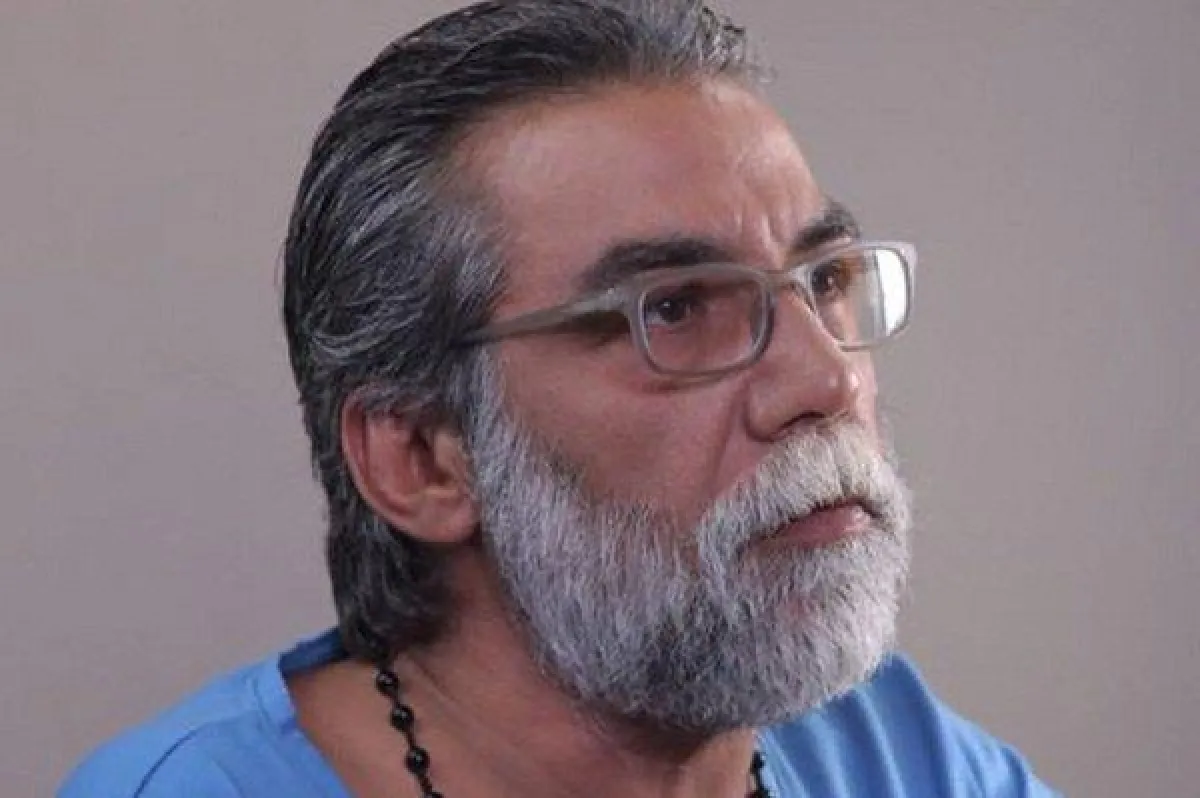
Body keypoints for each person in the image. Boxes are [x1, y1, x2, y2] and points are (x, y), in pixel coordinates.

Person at [60, 1, 1060, 796]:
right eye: (674, 309)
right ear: (423, 456)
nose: (828, 379)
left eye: (825, 279)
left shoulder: (897, 754)